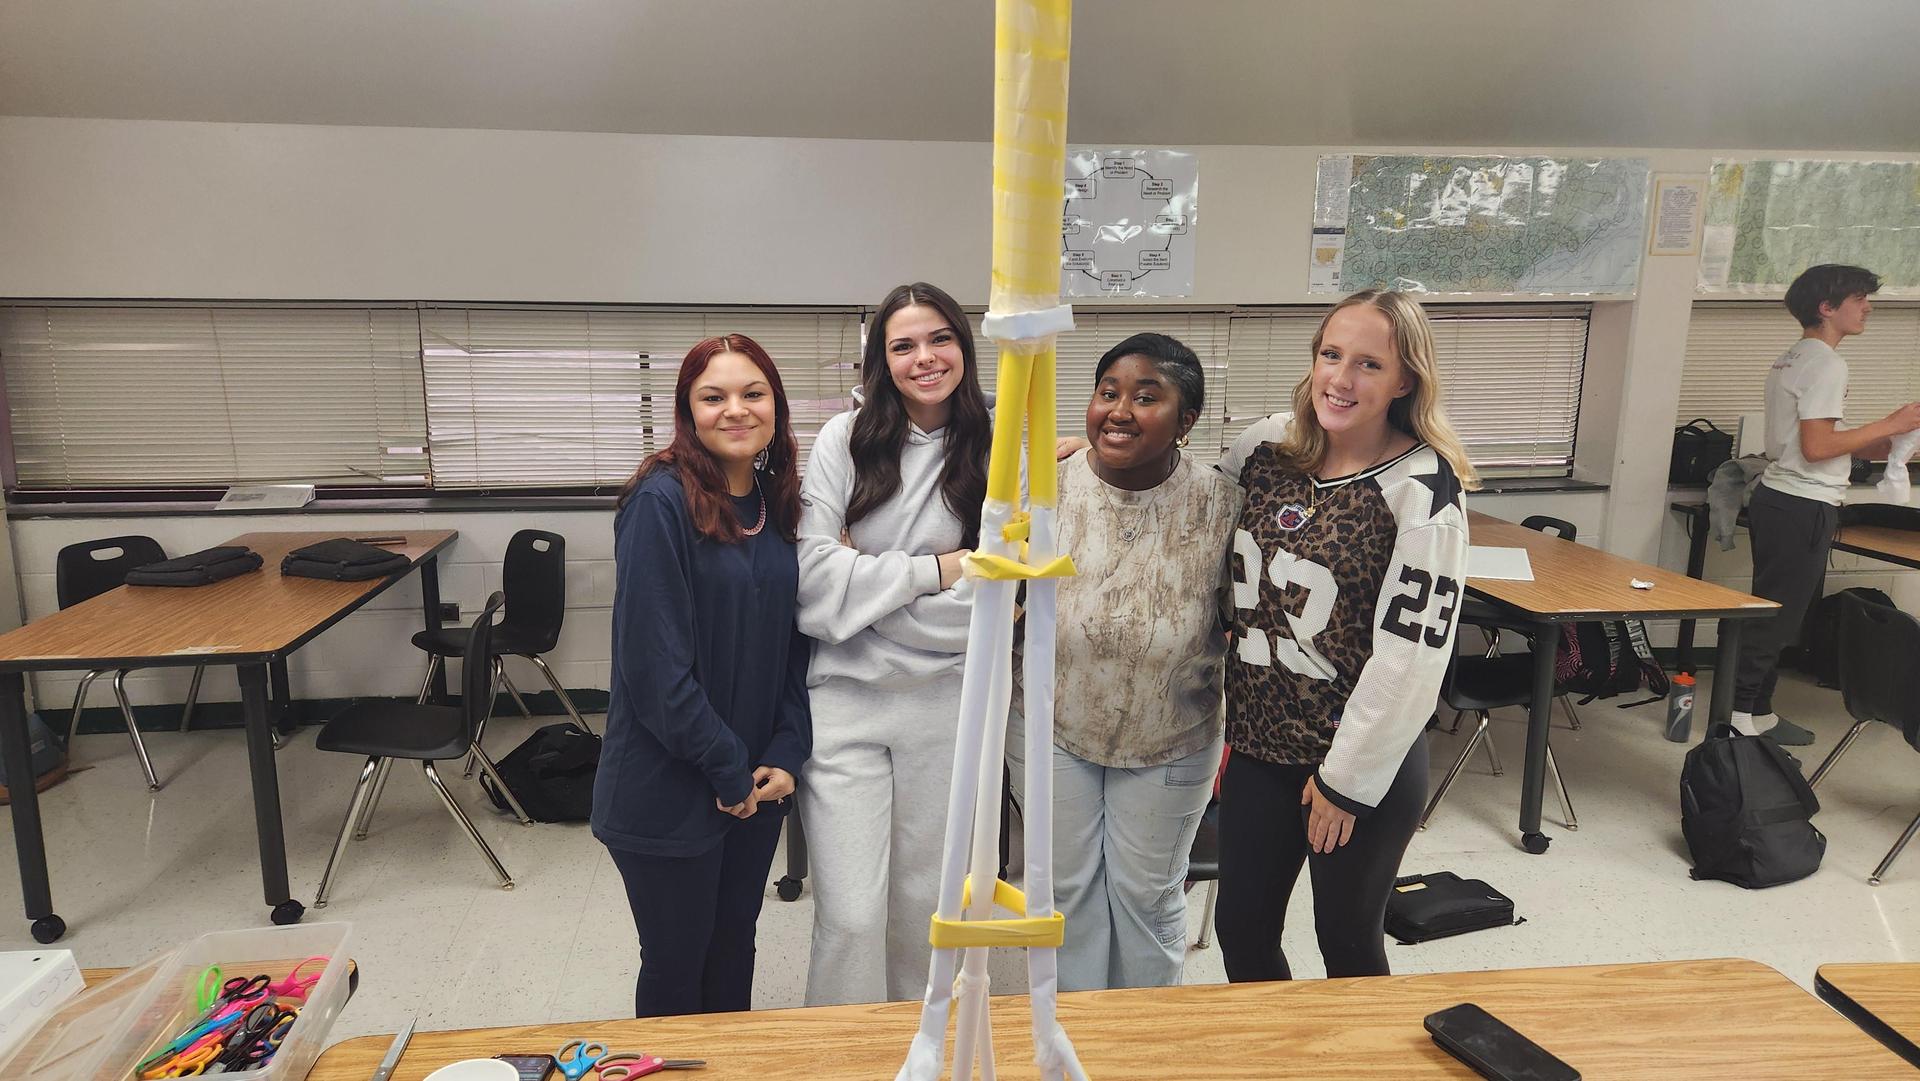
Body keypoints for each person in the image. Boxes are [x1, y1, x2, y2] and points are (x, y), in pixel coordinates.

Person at [1213, 289, 1476, 981]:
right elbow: (1187, 516)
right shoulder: (1265, 447)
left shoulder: (1423, 490)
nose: (1340, 378)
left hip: (1357, 762)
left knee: (1349, 945)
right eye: (1331, 354)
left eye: (1367, 364)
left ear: (1404, 380)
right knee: (1240, 930)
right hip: (1260, 747)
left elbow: (1412, 657)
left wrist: (1346, 782)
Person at [1006, 332, 1242, 991]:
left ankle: (1145, 1047)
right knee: (1067, 896)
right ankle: (1075, 1040)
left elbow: (1242, 622)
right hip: (1051, 726)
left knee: (1146, 898)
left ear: (1186, 421)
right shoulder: (1045, 486)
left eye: (1146, 397)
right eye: (1107, 392)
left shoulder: (1222, 505)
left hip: (1173, 737)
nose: (1119, 410)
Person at [592, 334, 812, 1017]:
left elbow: (791, 646)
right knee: (677, 960)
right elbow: (655, 670)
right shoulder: (660, 503)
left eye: (753, 393)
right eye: (713, 396)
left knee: (733, 946)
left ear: (775, 404)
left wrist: (784, 750)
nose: (735, 409)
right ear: (689, 412)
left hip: (752, 782)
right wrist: (727, 770)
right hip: (670, 785)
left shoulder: (778, 506)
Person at [796, 281, 992, 1005]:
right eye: (903, 344)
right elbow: (813, 587)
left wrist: (866, 589)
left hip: (949, 705)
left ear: (964, 348)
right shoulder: (841, 441)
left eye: (940, 338)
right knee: (849, 914)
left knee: (926, 906)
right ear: (881, 359)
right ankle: (842, 1057)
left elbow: (993, 603)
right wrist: (936, 570)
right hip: (845, 701)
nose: (925, 358)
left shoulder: (999, 444)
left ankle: (923, 1045)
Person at [1733, 265, 1920, 744]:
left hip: (1784, 498)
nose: (1869, 307)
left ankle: (1759, 713)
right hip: (1800, 503)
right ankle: (1738, 720)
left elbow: (1814, 441)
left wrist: (1886, 444)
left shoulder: (1794, 357)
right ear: (1827, 307)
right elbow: (1817, 449)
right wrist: (1891, 421)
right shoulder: (1826, 363)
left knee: (1780, 612)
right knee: (1778, 616)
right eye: (1859, 299)